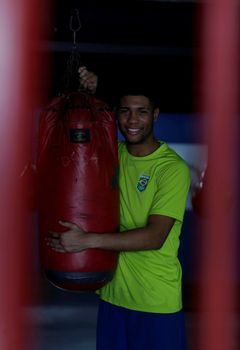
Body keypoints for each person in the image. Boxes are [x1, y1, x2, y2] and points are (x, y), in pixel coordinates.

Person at [47, 67, 191, 350]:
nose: (132, 120)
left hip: (155, 302)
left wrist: (86, 242)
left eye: (142, 112)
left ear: (156, 115)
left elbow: (154, 236)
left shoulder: (171, 168)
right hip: (113, 297)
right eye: (125, 111)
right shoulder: (111, 154)